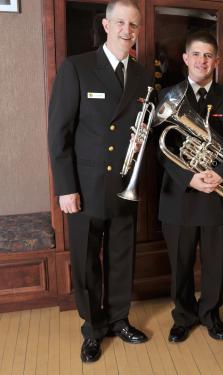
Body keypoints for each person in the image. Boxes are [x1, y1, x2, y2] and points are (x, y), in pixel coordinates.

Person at [47, 0, 151, 363]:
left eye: (133, 24)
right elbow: (58, 134)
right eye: (120, 22)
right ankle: (93, 328)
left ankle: (119, 319)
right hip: (85, 186)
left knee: (123, 256)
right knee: (87, 259)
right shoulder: (77, 67)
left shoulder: (142, 75)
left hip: (125, 184)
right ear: (106, 25)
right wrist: (65, 188)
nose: (127, 30)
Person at [157, 31, 223, 343]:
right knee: (180, 264)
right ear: (185, 58)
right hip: (179, 194)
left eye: (208, 55)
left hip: (216, 194)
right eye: (196, 54)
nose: (202, 61)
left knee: (214, 263)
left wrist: (220, 175)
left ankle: (210, 314)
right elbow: (161, 148)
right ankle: (183, 317)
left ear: (217, 61)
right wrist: (189, 178)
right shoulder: (168, 96)